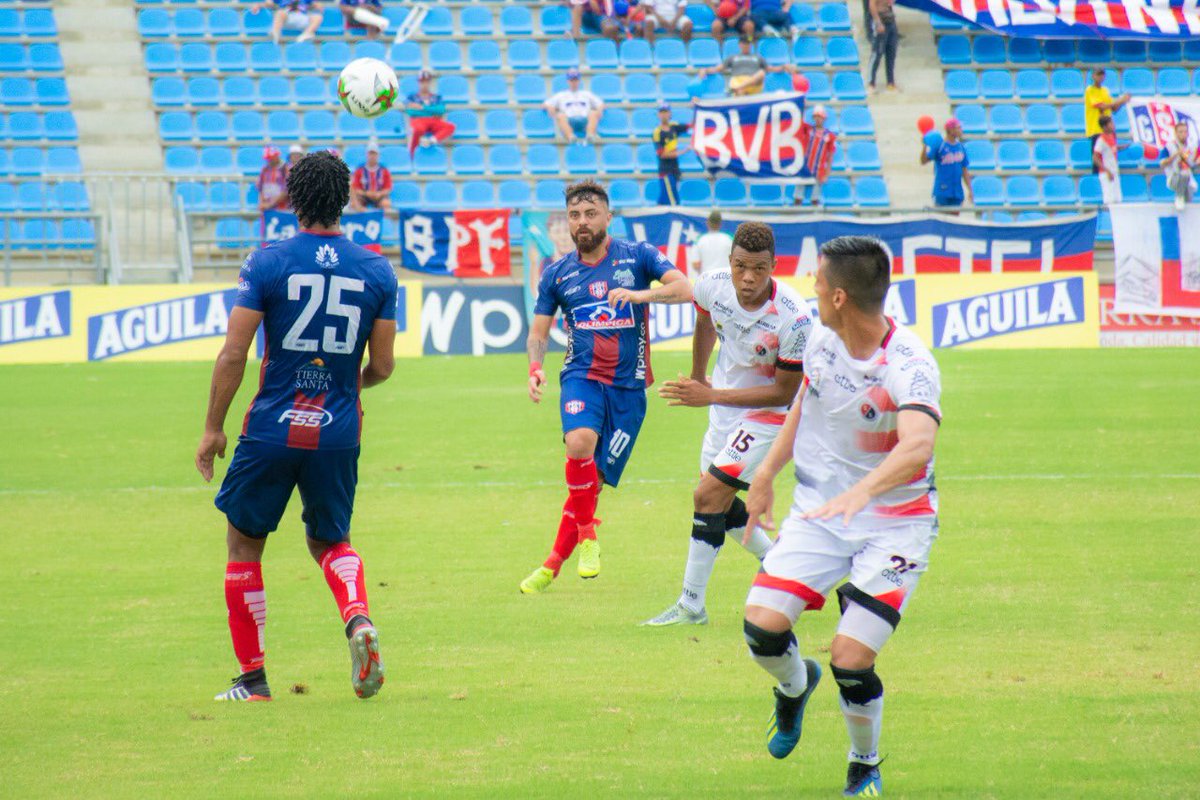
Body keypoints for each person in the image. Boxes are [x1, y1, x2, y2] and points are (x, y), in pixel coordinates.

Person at [741, 235, 942, 798]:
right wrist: (763, 476)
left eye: (819, 280)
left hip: (897, 522)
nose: (812, 285)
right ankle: (794, 684)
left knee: (851, 660)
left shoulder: (908, 363)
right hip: (822, 514)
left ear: (839, 298)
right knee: (761, 630)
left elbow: (918, 445)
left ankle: (864, 762)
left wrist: (865, 492)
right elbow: (803, 406)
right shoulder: (820, 343)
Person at [195, 151, 399, 703]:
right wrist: (343, 389)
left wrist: (213, 427)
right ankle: (358, 619)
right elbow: (382, 367)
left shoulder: (267, 262)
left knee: (244, 544)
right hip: (338, 429)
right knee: (331, 540)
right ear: (345, 199)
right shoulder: (377, 270)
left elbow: (234, 354)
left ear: (292, 200)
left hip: (271, 427)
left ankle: (253, 679)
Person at [520, 180, 692, 594]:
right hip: (581, 377)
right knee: (578, 442)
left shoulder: (638, 256)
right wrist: (535, 366)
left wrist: (637, 295)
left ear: (607, 217)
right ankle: (589, 538)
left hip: (630, 390)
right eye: (575, 216)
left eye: (590, 213)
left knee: (591, 484)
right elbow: (540, 329)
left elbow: (685, 288)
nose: (582, 222)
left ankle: (552, 563)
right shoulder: (557, 273)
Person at [642, 223, 812, 627]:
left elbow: (783, 393)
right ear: (730, 263)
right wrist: (700, 375)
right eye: (740, 266)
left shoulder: (795, 319)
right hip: (724, 409)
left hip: (770, 416)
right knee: (717, 501)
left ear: (774, 266)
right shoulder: (712, 286)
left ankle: (691, 605)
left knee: (707, 495)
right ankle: (780, 566)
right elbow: (704, 322)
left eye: (758, 268)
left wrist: (711, 394)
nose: (748, 277)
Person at [919, 118, 973, 211]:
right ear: (951, 130)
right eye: (958, 128)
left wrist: (970, 190)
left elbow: (964, 170)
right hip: (942, 191)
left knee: (954, 221)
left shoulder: (961, 147)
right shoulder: (940, 146)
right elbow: (923, 161)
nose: (961, 130)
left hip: (957, 191)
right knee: (942, 220)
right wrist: (924, 146)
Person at [1085, 68, 1130, 171]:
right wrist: (1119, 100)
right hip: (1096, 129)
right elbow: (1101, 106)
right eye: (1098, 74)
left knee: (1111, 156)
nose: (1100, 77)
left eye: (1102, 75)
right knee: (1098, 158)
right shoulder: (1090, 90)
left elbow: (1113, 108)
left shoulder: (1105, 90)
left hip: (1108, 130)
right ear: (1093, 76)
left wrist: (1122, 102)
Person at [545, 68, 604, 145]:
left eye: (575, 80)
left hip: (584, 120)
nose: (574, 82)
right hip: (569, 121)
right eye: (571, 80)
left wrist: (599, 110)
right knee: (560, 115)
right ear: (568, 81)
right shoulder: (561, 95)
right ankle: (571, 137)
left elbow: (600, 103)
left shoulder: (586, 94)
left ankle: (590, 135)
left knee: (593, 113)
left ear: (579, 81)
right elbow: (545, 104)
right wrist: (550, 107)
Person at [405, 70, 456, 156]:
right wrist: (432, 111)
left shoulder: (437, 97)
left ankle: (431, 141)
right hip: (419, 121)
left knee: (450, 127)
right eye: (422, 81)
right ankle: (412, 154)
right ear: (418, 82)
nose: (424, 84)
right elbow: (410, 111)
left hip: (433, 121)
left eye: (426, 81)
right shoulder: (412, 97)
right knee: (417, 129)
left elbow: (441, 110)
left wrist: (422, 107)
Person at [698, 34, 769, 96]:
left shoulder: (758, 57)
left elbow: (769, 69)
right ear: (740, 44)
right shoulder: (733, 57)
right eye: (744, 43)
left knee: (761, 73)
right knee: (740, 91)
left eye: (748, 44)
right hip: (738, 79)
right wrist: (705, 69)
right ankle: (739, 89)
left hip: (753, 83)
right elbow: (718, 68)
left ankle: (737, 88)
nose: (746, 46)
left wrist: (780, 68)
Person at [796, 104, 837, 206]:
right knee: (798, 197)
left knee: (815, 199)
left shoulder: (830, 136)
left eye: (820, 117)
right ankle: (795, 217)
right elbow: (798, 121)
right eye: (816, 117)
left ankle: (815, 218)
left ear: (824, 118)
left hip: (819, 170)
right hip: (805, 168)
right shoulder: (808, 129)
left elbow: (830, 155)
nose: (818, 119)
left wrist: (826, 173)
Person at [652, 102, 691, 205]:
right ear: (658, 115)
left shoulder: (674, 126)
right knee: (673, 201)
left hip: (674, 169)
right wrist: (683, 151)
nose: (664, 114)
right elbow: (662, 154)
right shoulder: (657, 132)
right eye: (661, 112)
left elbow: (690, 125)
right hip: (665, 171)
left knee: (664, 201)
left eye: (666, 112)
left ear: (670, 113)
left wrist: (697, 106)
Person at [1161, 120, 1198, 212]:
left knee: (1189, 202)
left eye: (1185, 131)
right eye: (1181, 132)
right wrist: (1175, 155)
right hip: (1174, 177)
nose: (1183, 134)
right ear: (1176, 133)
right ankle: (1179, 197)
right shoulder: (1169, 146)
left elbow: (1193, 162)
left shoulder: (1191, 147)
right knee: (1183, 175)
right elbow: (1162, 163)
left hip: (1188, 179)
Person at [251, 0, 323, 44]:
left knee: (317, 17)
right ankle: (275, 33)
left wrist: (318, 5)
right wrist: (259, 5)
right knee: (280, 13)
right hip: (287, 17)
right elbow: (269, 3)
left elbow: (315, 4)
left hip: (301, 16)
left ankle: (307, 34)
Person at [1093, 114, 1127, 206]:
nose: (1113, 125)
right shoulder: (1101, 140)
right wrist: (1106, 170)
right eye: (1111, 124)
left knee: (1118, 199)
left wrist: (1124, 147)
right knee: (1109, 199)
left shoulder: (1111, 137)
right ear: (1104, 127)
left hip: (1114, 171)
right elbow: (1095, 157)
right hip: (1107, 173)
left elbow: (1113, 148)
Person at [350, 140, 393, 211]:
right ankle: (362, 219)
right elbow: (356, 188)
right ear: (367, 154)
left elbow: (388, 188)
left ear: (378, 155)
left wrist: (379, 194)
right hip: (363, 196)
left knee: (386, 204)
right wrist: (366, 193)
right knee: (354, 204)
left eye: (374, 154)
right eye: (370, 153)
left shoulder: (384, 170)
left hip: (379, 196)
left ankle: (382, 220)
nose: (372, 156)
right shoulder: (359, 170)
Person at [688, 210, 734, 275]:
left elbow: (696, 265)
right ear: (720, 224)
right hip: (726, 278)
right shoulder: (729, 239)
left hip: (707, 279)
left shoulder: (700, 240)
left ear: (707, 223)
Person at [867, 0, 898, 92]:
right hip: (880, 20)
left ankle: (890, 81)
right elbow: (872, 5)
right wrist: (878, 22)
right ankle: (871, 82)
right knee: (877, 53)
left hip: (890, 19)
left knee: (891, 53)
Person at [256, 146, 290, 212]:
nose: (269, 160)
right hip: (266, 209)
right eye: (268, 158)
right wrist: (262, 203)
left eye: (271, 158)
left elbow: (286, 191)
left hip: (283, 210)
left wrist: (270, 204)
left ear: (277, 157)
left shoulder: (285, 169)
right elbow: (260, 188)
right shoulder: (265, 170)